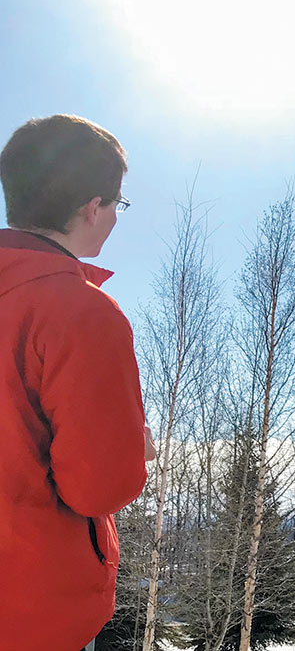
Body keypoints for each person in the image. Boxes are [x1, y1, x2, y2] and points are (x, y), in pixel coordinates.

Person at [0, 114, 156, 650]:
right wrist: (134, 445)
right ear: (93, 207)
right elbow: (99, 487)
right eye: (118, 204)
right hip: (31, 609)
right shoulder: (81, 312)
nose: (115, 216)